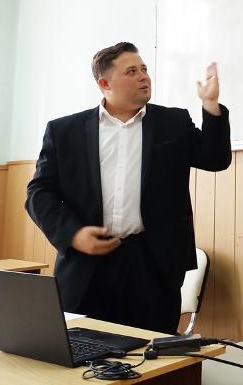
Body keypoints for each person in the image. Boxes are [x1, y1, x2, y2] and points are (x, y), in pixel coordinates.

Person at [25, 42, 231, 334]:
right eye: (131, 71)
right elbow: (39, 193)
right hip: (87, 264)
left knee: (149, 352)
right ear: (105, 83)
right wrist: (72, 235)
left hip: (153, 265)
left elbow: (215, 159)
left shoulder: (172, 123)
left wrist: (210, 106)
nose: (143, 76)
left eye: (144, 69)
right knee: (79, 348)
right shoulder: (64, 131)